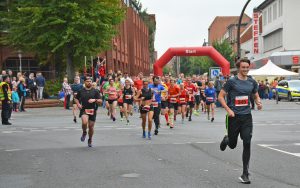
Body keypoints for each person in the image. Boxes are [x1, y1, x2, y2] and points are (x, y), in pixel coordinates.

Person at [218, 58, 262, 184]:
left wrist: (258, 102)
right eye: (243, 67)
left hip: (247, 116)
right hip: (233, 117)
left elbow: (255, 94)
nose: (245, 69)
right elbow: (220, 96)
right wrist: (228, 110)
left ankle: (245, 173)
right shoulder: (232, 82)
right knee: (232, 145)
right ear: (239, 68)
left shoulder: (252, 81)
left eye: (247, 67)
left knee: (247, 142)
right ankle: (227, 139)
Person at [75, 76, 102, 147]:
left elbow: (100, 101)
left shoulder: (95, 91)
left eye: (90, 81)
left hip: (93, 110)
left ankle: (90, 139)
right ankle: (84, 132)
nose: (89, 82)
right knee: (84, 122)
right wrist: (78, 104)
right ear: (84, 82)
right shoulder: (81, 91)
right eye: (87, 81)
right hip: (84, 109)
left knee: (91, 127)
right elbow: (76, 99)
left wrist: (95, 100)